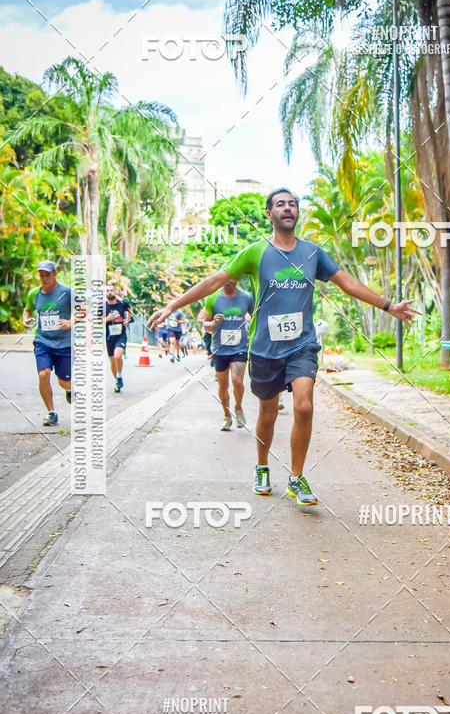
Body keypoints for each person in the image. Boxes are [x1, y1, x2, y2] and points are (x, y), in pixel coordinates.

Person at [148, 188, 419, 505]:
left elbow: (348, 283)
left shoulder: (313, 253)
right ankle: (262, 466)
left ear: (297, 212)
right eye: (280, 204)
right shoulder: (255, 252)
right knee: (267, 413)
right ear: (269, 214)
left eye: (292, 203)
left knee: (304, 405)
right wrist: (171, 306)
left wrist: (388, 306)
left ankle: (296, 477)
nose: (287, 208)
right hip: (264, 348)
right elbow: (213, 281)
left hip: (301, 345)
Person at [22, 261, 77, 426]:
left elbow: (83, 310)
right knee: (43, 373)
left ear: (55, 274)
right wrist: (25, 320)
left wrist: (70, 322)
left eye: (47, 275)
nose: (44, 279)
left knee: (64, 381)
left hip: (64, 344)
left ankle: (69, 390)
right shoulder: (34, 294)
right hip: (42, 341)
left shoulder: (67, 292)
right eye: (41, 275)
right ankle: (51, 413)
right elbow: (27, 309)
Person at [204, 279, 254, 431]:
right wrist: (212, 324)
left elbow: (255, 318)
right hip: (220, 348)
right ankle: (227, 415)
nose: (229, 280)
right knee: (223, 384)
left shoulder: (247, 298)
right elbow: (205, 323)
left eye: (233, 277)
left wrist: (252, 335)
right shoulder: (212, 298)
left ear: (238, 278)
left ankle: (238, 408)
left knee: (237, 381)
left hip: (239, 347)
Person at [100, 282, 131, 393]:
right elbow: (98, 322)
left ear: (116, 292)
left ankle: (119, 375)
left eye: (111, 290)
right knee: (112, 361)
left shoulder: (122, 303)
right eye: (107, 291)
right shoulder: (102, 306)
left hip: (121, 335)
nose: (109, 292)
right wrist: (107, 319)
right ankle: (118, 379)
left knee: (118, 356)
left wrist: (127, 320)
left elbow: (129, 310)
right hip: (109, 337)